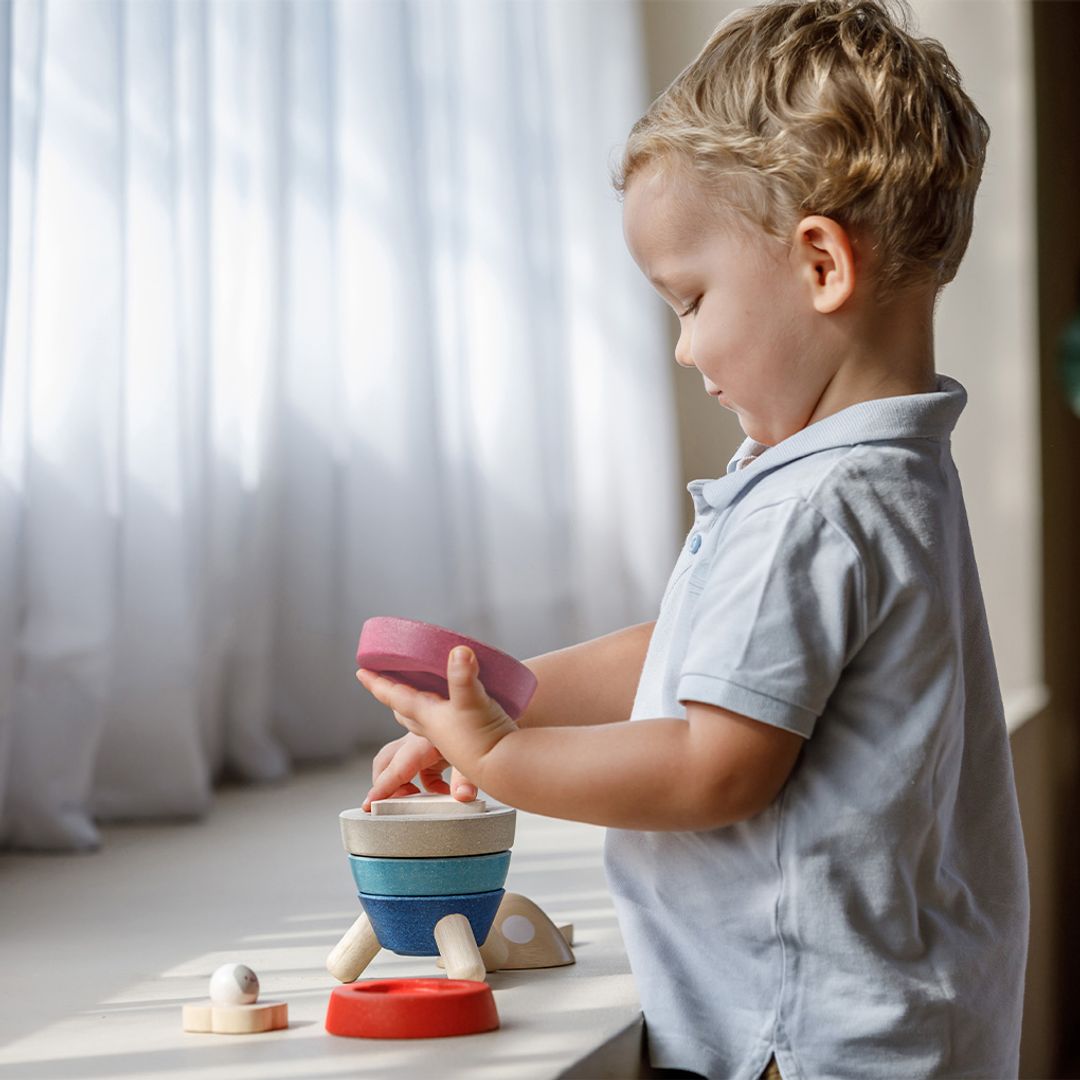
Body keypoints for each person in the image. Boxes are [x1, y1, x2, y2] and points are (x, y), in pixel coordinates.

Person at [355, 1, 1029, 1076]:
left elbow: (716, 766)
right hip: (892, 1022)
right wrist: (506, 694)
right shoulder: (881, 474)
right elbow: (703, 657)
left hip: (799, 1041)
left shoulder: (815, 505)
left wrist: (502, 757)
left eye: (690, 300)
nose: (683, 348)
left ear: (821, 265)